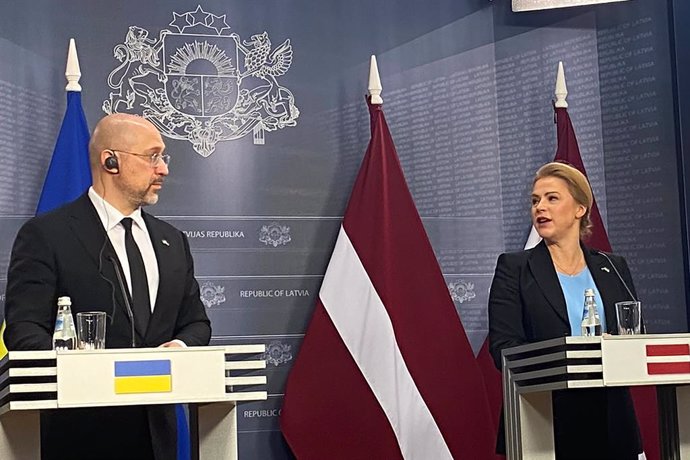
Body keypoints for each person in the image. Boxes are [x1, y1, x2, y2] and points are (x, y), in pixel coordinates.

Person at [4, 113, 211, 460]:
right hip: (80, 437)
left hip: (159, 439)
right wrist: (82, 368)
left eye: (163, 157)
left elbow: (196, 324)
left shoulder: (172, 241)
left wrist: (177, 347)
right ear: (110, 161)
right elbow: (24, 330)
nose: (163, 170)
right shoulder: (47, 235)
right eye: (152, 156)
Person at [488, 162, 642, 459]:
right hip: (544, 421)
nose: (539, 207)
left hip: (611, 422)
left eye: (551, 198)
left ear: (580, 209)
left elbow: (634, 332)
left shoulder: (612, 267)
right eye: (535, 200)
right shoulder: (515, 268)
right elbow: (504, 349)